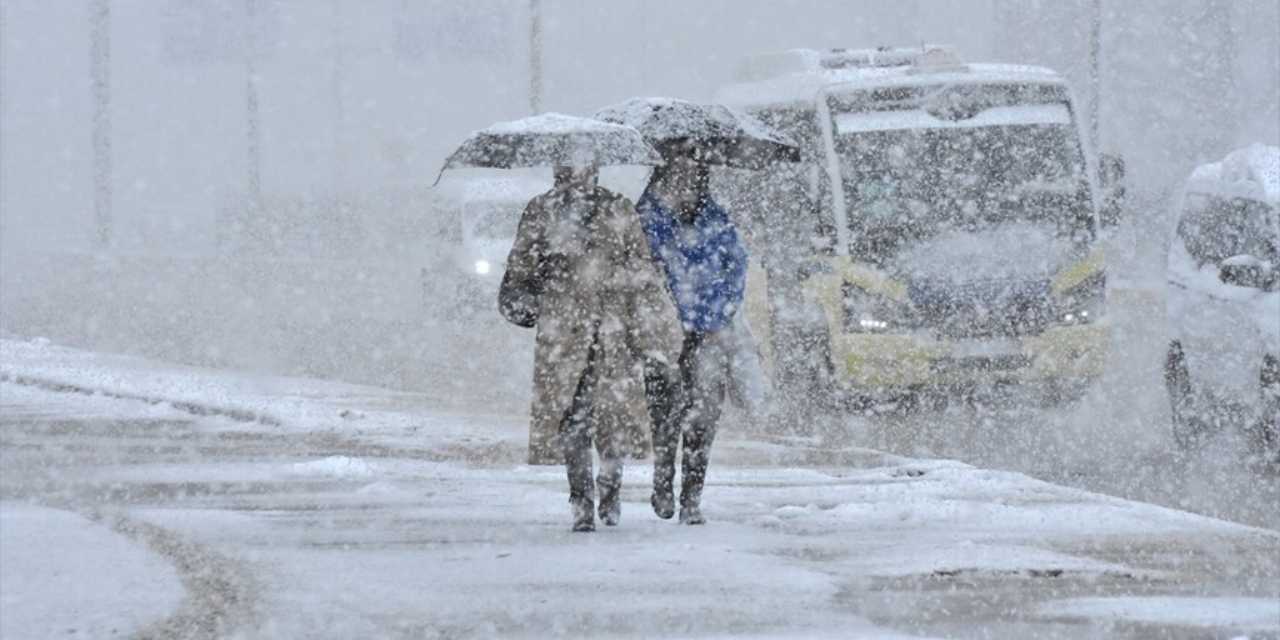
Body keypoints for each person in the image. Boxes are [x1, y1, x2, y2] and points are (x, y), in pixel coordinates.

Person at [500, 165, 682, 532]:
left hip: (613, 328)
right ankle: (580, 499)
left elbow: (642, 267)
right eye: (565, 165)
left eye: (582, 164)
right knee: (571, 416)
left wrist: (613, 279)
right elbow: (519, 266)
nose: (573, 172)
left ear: (595, 169)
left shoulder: (619, 207)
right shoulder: (541, 209)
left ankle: (610, 488)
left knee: (614, 416)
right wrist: (543, 274)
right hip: (563, 329)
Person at [637, 155, 748, 525]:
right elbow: (641, 269)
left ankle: (692, 498)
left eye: (691, 176)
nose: (684, 185)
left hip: (708, 332)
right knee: (664, 415)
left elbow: (736, 268)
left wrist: (720, 311)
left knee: (703, 417)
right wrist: (662, 307)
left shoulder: (716, 220)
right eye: (677, 175)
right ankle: (663, 481)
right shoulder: (648, 217)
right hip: (663, 333)